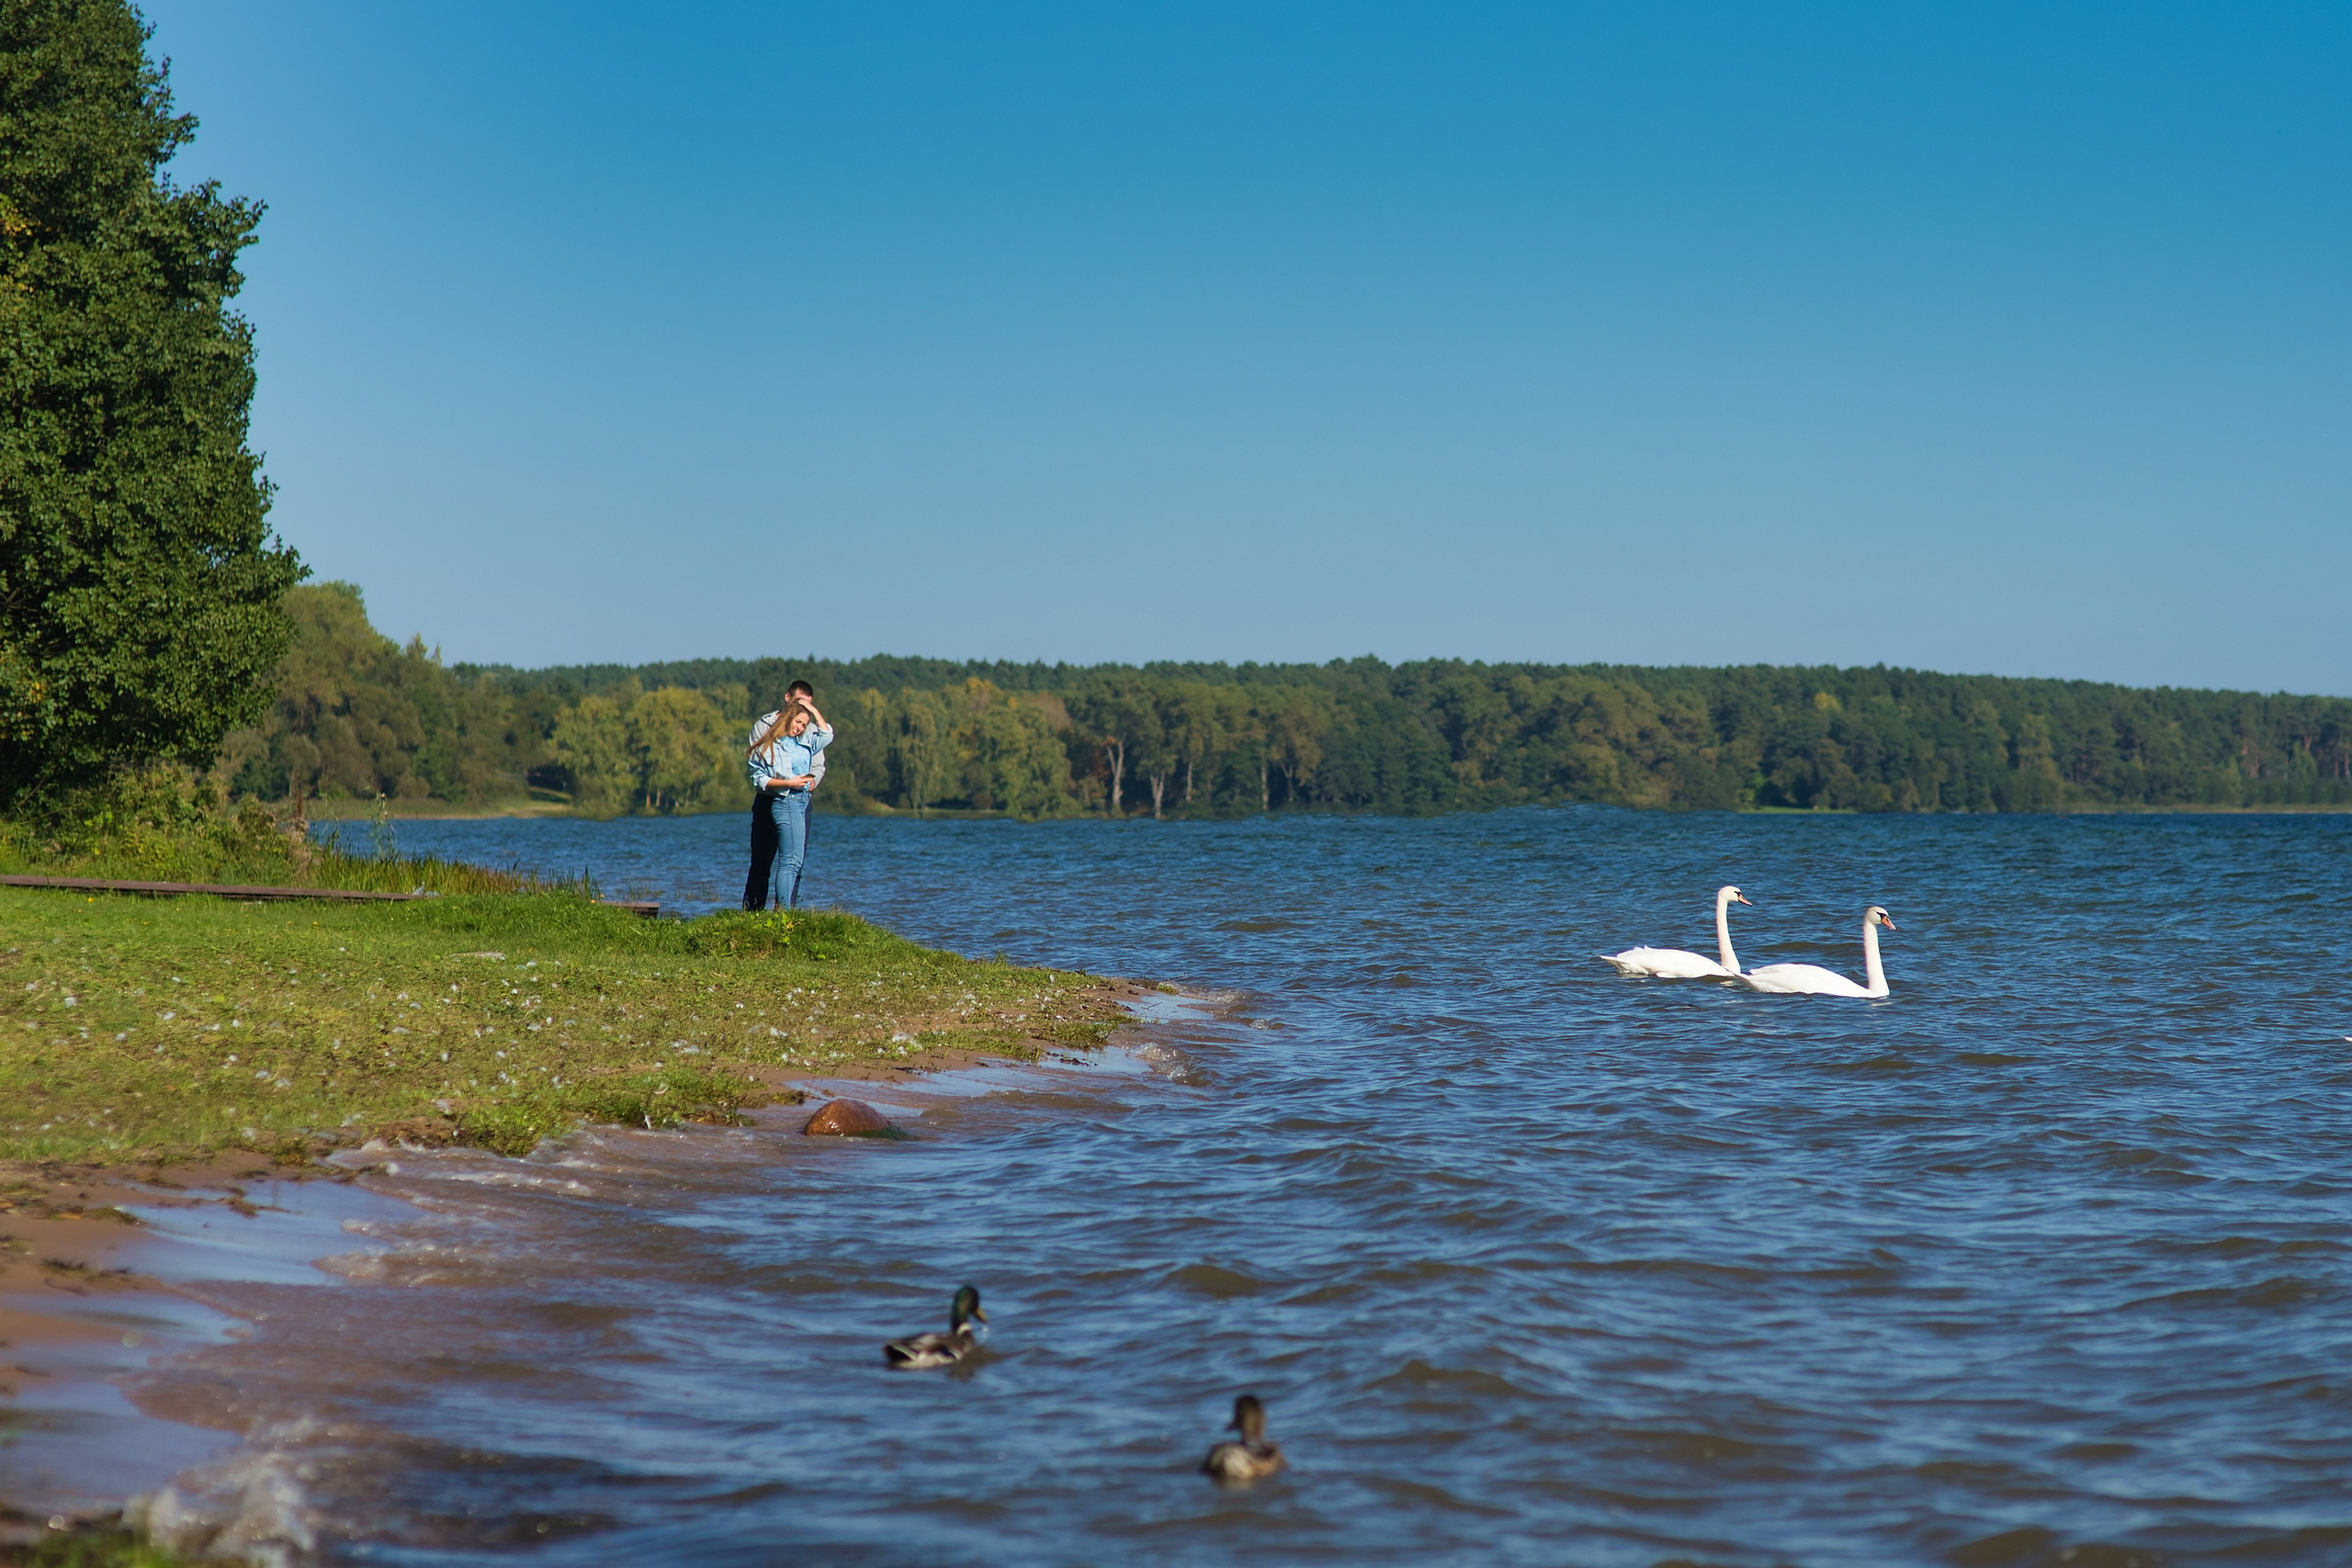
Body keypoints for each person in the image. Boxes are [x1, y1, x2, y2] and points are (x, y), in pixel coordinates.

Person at [741, 681, 827, 909]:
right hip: (768, 799)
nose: (803, 711)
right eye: (800, 703)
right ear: (787, 697)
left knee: (794, 863)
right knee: (761, 862)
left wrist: (812, 780)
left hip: (800, 801)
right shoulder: (764, 726)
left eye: (808, 706)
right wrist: (787, 782)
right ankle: (752, 913)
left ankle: (785, 914)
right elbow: (758, 771)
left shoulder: (809, 729)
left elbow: (818, 764)